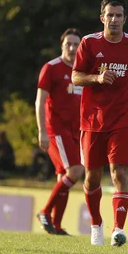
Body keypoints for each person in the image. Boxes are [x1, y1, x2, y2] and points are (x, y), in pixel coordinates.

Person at [72, 0, 128, 247]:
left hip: (123, 119)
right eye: (110, 15)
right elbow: (76, 77)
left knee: (119, 171)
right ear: (102, 18)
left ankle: (118, 229)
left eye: (119, 15)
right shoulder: (88, 43)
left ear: (125, 19)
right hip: (92, 120)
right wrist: (96, 79)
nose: (114, 20)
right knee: (92, 177)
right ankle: (96, 225)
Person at [34, 28, 85, 235]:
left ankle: (56, 225)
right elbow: (40, 100)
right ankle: (45, 212)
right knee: (75, 171)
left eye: (76, 45)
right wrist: (41, 131)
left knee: (63, 177)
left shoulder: (83, 71)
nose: (72, 48)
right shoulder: (51, 68)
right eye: (68, 44)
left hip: (76, 131)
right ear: (62, 46)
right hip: (56, 129)